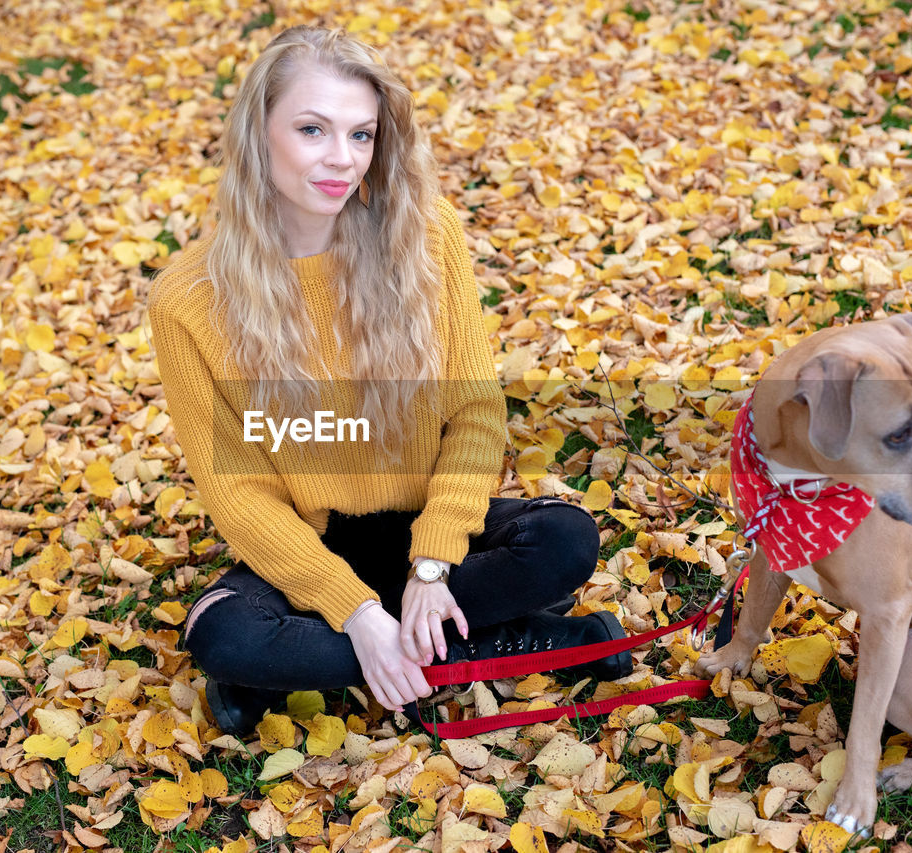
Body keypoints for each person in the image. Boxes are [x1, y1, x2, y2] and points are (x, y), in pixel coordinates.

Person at [146, 26, 630, 735]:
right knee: (227, 636)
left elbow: (474, 410)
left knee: (565, 540)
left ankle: (297, 678)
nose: (342, 159)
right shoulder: (187, 299)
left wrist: (432, 565)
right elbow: (237, 492)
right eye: (312, 130)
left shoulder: (425, 236)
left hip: (428, 529)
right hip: (309, 547)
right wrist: (356, 609)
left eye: (361, 135)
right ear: (259, 133)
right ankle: (523, 644)